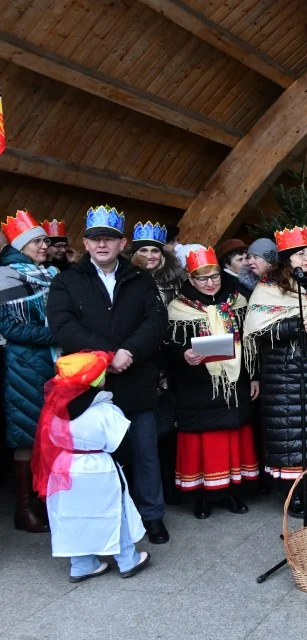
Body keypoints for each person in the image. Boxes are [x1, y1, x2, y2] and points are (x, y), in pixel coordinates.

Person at [47, 205, 170, 543]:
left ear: (122, 243)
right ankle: (109, 519)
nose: (102, 245)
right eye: (95, 239)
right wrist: (108, 355)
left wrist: (129, 351)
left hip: (136, 378)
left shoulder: (140, 278)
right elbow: (63, 326)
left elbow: (156, 321)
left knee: (145, 453)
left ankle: (152, 517)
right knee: (101, 459)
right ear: (85, 244)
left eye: (110, 239)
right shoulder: (67, 281)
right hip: (90, 385)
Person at [243, 225, 307, 516]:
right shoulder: (269, 287)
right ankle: (295, 494)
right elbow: (257, 329)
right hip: (286, 372)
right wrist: (296, 327)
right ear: (286, 257)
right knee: (292, 435)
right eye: (300, 253)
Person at [32, 351, 150, 582]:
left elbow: (51, 438)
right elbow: (121, 445)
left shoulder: (55, 410)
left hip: (64, 467)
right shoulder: (105, 410)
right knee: (116, 512)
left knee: (72, 515)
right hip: (99, 466)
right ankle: (127, 559)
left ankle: (82, 564)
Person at [167, 247, 259, 519]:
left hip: (234, 382)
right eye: (202, 278)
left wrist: (254, 375)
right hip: (197, 384)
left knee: (232, 437)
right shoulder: (177, 307)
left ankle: (232, 493)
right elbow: (165, 346)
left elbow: (251, 342)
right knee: (202, 443)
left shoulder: (238, 301)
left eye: (215, 277)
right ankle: (202, 498)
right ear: (191, 279)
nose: (210, 283)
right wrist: (183, 353)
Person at [0, 210, 57, 533]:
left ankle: (45, 501)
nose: (44, 246)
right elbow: (9, 325)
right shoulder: (6, 275)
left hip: (50, 361)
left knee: (50, 434)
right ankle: (24, 510)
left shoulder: (45, 273)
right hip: (24, 363)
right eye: (37, 241)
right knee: (28, 436)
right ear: (21, 245)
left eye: (44, 240)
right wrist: (57, 334)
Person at [128, 221, 185, 506]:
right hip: (141, 362)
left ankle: (170, 483)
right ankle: (149, 490)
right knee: (147, 428)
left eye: (155, 251)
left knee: (170, 424)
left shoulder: (176, 283)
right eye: (144, 251)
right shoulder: (126, 283)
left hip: (173, 361)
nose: (150, 256)